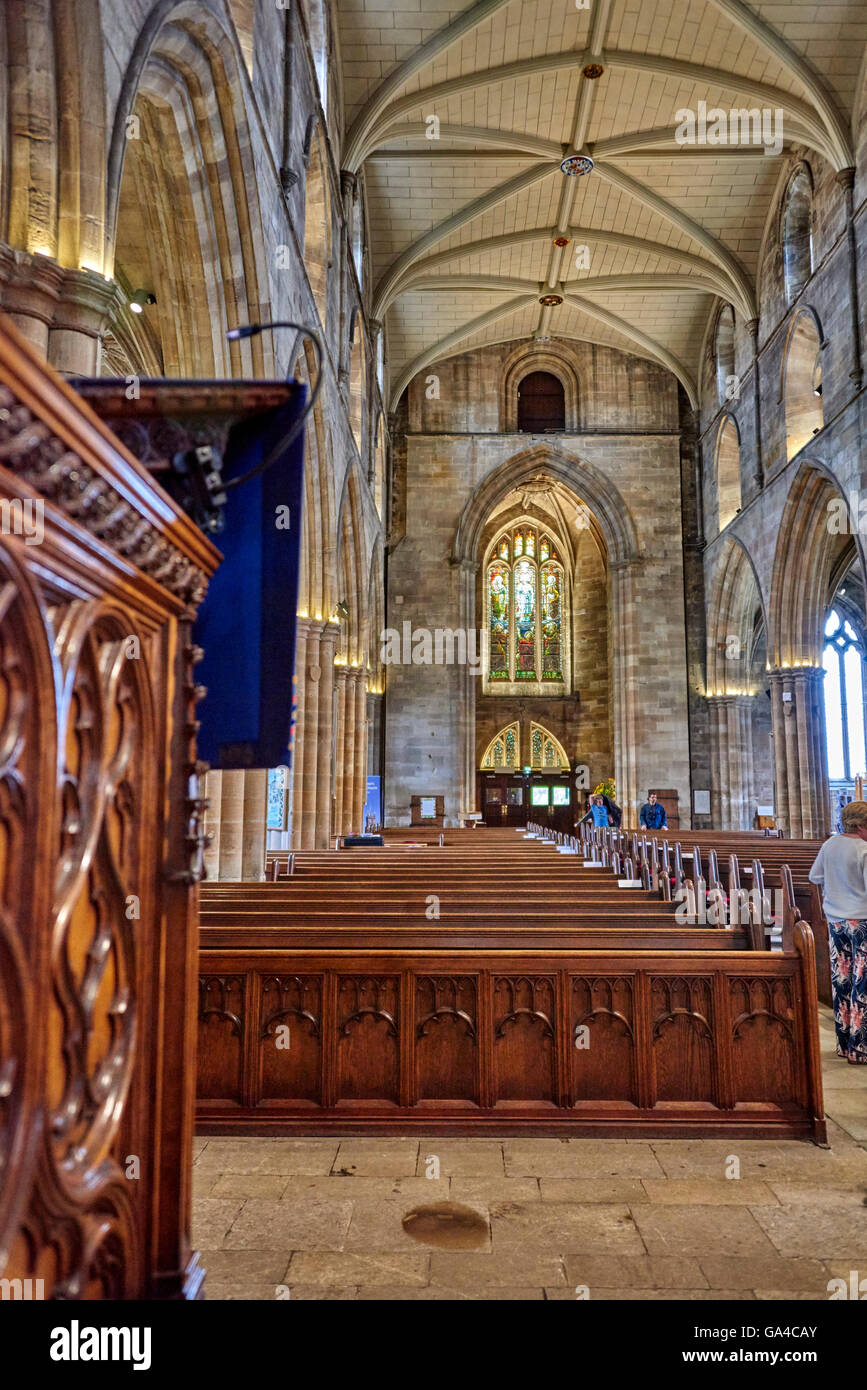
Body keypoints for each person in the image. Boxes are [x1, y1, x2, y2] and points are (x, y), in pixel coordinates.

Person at [808, 801, 867, 1065]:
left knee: (842, 980)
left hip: (836, 920)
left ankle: (844, 1044)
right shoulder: (864, 849)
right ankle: (861, 1047)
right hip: (862, 920)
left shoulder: (829, 845)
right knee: (862, 982)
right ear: (861, 826)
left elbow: (815, 876)